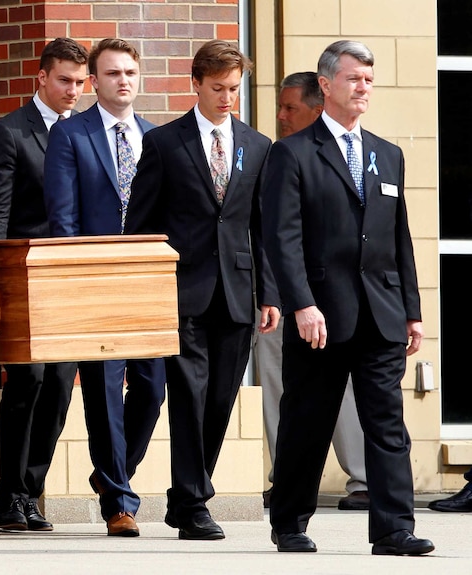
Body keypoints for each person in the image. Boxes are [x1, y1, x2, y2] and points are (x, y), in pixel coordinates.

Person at [262, 40, 434, 555]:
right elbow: (281, 238)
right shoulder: (291, 153)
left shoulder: (387, 154)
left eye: (369, 80)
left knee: (387, 423)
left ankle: (393, 530)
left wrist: (412, 310)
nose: (364, 88)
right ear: (326, 84)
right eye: (355, 78)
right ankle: (290, 521)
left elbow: (397, 237)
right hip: (321, 315)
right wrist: (301, 303)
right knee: (307, 420)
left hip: (381, 314)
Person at [125, 39, 278, 541]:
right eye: (218, 88)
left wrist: (270, 296)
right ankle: (193, 504)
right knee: (188, 397)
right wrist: (145, 291)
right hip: (181, 291)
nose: (227, 97)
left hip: (237, 293)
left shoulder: (257, 146)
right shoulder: (165, 143)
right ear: (196, 84)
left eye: (234, 88)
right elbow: (141, 224)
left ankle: (185, 496)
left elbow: (264, 228)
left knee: (219, 400)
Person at [43, 38, 166, 538]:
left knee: (153, 388)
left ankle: (113, 472)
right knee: (103, 390)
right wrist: (76, 282)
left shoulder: (157, 138)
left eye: (130, 73)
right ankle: (119, 501)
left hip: (146, 280)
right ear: (94, 81)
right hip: (94, 278)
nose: (123, 81)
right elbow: (63, 218)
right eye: (112, 73)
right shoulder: (71, 135)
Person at [0, 37, 88, 532]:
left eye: (79, 82)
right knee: (28, 380)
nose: (73, 90)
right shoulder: (10, 133)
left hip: (71, 281)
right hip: (24, 279)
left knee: (62, 385)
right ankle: (10, 496)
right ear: (40, 78)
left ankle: (31, 489)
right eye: (63, 80)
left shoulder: (87, 131)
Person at [257, 71, 370, 512]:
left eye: (290, 108)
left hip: (337, 298)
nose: (282, 117)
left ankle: (362, 478)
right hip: (279, 297)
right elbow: (267, 233)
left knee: (346, 391)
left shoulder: (353, 156)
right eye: (280, 108)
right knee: (278, 390)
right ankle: (284, 478)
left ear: (318, 105)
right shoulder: (275, 155)